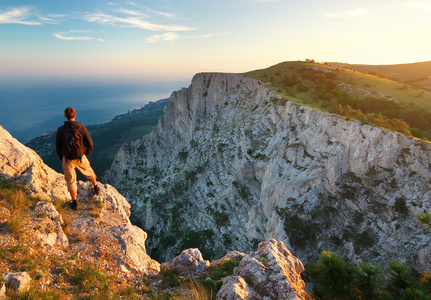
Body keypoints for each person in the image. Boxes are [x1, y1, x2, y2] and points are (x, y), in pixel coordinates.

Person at [55, 107, 100, 210]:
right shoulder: (81, 128)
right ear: (75, 115)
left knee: (70, 180)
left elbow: (58, 147)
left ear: (65, 116)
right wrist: (84, 154)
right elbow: (90, 145)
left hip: (67, 159)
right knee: (89, 171)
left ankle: (74, 203)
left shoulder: (61, 130)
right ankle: (96, 187)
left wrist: (63, 158)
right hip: (81, 157)